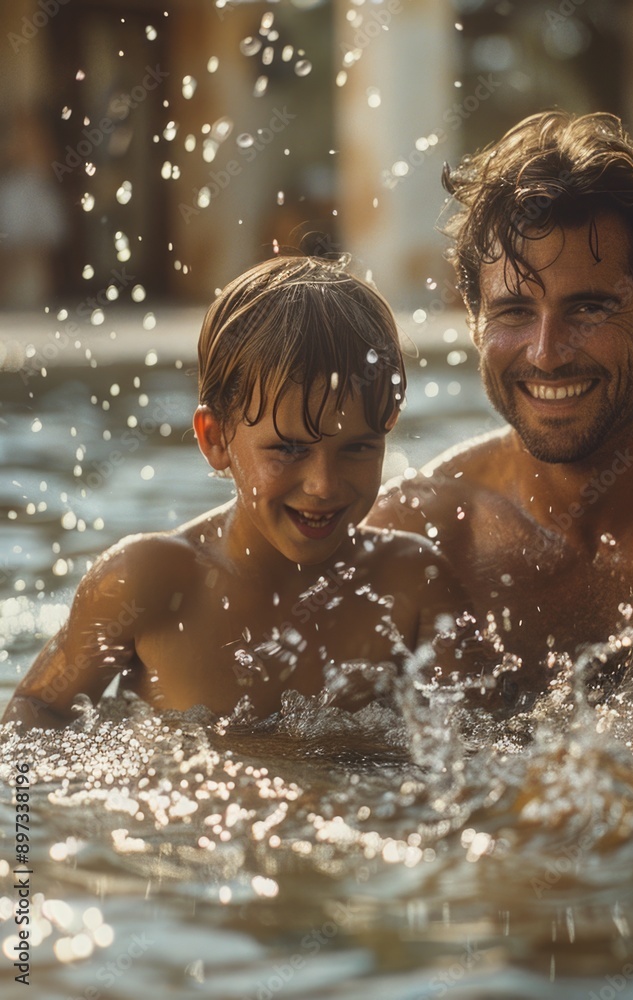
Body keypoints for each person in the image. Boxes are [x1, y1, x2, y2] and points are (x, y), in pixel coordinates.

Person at [3, 250, 473, 729]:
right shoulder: (148, 583)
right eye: (289, 449)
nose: (323, 485)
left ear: (388, 429)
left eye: (358, 448)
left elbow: (477, 743)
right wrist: (28, 806)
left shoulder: (412, 585)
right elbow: (36, 711)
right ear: (216, 438)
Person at [365, 111, 633, 700]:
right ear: (473, 320)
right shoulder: (418, 538)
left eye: (589, 308)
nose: (546, 355)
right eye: (514, 312)